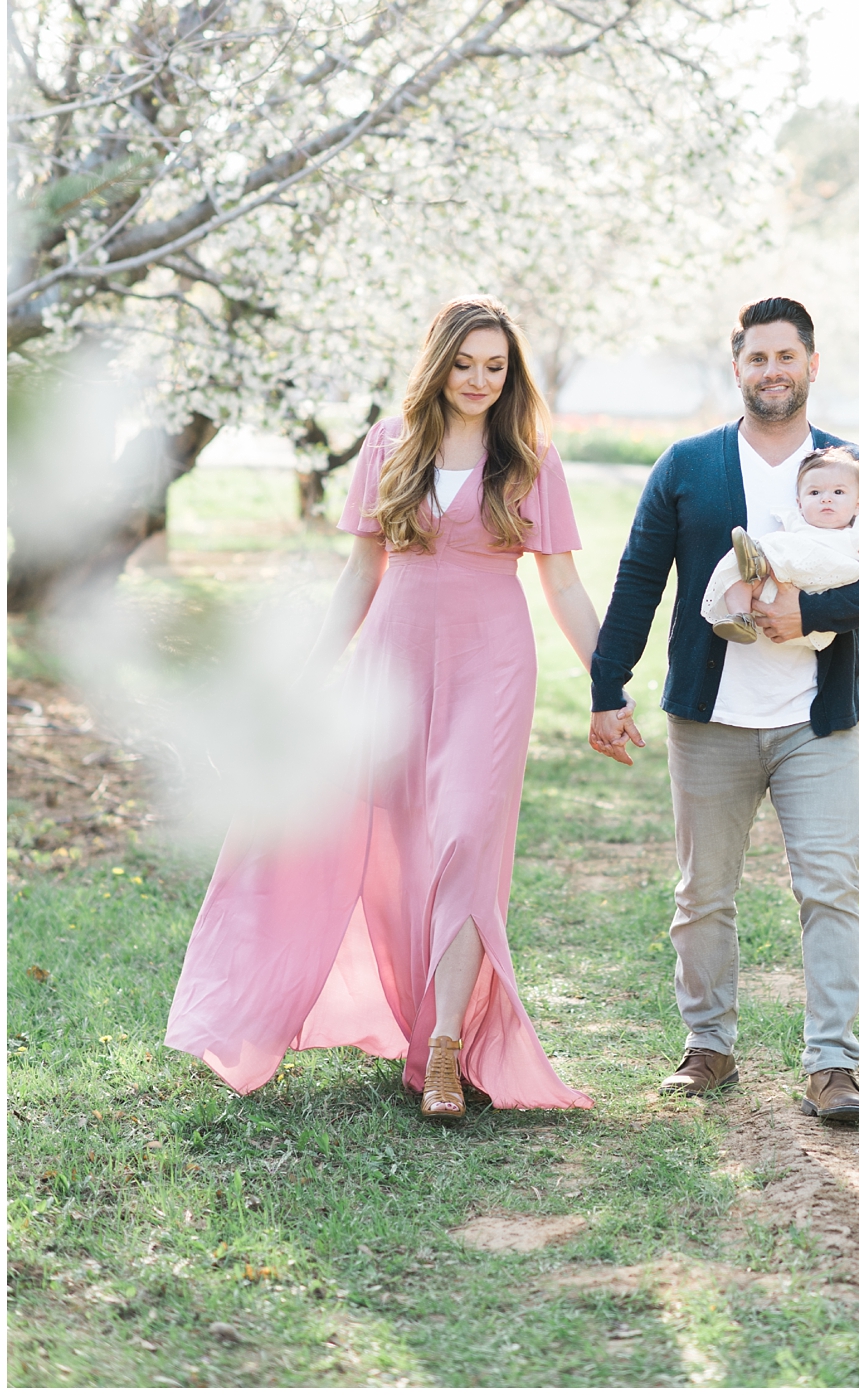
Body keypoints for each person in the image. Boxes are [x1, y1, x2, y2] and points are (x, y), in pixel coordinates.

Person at [165, 296, 602, 1118]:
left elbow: (566, 585)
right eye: (466, 363)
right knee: (391, 846)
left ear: (511, 375)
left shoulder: (531, 459)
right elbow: (359, 575)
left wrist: (607, 686)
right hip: (392, 665)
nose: (479, 380)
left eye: (496, 366)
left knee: (467, 838)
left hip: (491, 667)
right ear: (438, 364)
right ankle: (384, 1016)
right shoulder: (388, 446)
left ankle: (443, 1050)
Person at [586, 296, 859, 1125]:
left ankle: (832, 1065)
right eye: (757, 358)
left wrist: (811, 618)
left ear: (813, 363)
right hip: (709, 721)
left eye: (786, 355)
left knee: (832, 888)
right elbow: (637, 579)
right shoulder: (688, 465)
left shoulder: (852, 465)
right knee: (703, 894)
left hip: (817, 719)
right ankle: (709, 1047)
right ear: (736, 369)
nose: (772, 370)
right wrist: (606, 686)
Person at [702, 446, 859, 645]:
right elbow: (775, 545)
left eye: (838, 492)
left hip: (814, 603)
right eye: (814, 492)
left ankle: (757, 560)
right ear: (800, 504)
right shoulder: (795, 522)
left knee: (767, 551)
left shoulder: (858, 535)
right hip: (772, 592)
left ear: (858, 505)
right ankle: (741, 617)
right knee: (738, 572)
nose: (826, 498)